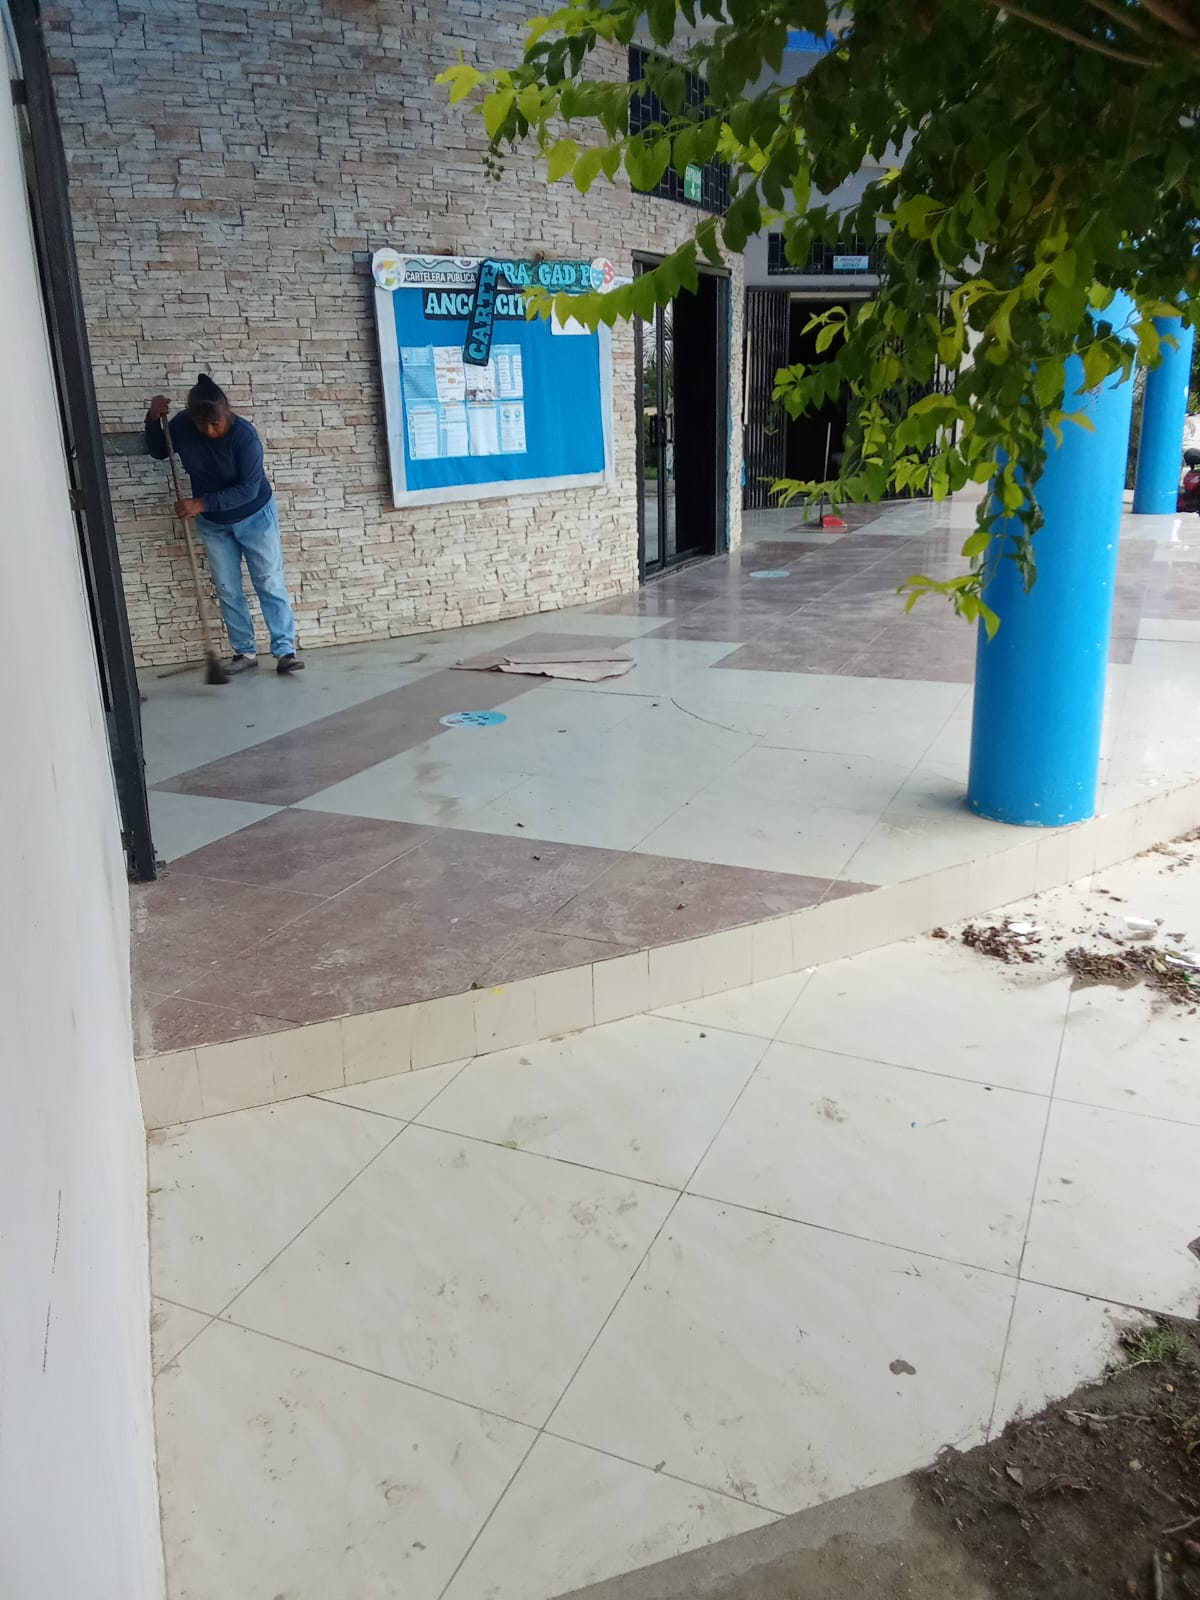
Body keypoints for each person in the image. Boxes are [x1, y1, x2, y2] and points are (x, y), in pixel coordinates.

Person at [145, 375, 304, 675]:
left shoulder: (245, 437)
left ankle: (285, 651)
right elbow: (158, 450)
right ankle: (244, 652)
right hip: (214, 524)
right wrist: (153, 418)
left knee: (269, 581)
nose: (208, 430)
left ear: (227, 411)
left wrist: (200, 504)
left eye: (215, 423)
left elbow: (248, 489)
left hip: (255, 516)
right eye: (201, 424)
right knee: (228, 588)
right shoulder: (182, 426)